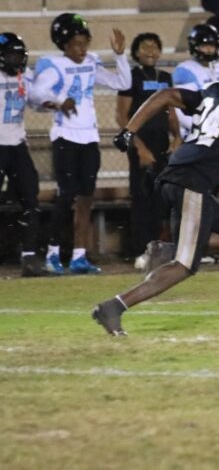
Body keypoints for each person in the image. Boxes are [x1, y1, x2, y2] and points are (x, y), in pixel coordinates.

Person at [92, 53, 219, 336]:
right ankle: (114, 306)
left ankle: (168, 249)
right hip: (192, 182)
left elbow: (167, 95)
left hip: (177, 175)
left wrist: (129, 130)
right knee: (185, 266)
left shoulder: (218, 91)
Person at [29, 14, 131, 274]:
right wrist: (61, 99)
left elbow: (123, 83)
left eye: (85, 42)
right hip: (65, 137)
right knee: (66, 196)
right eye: (76, 43)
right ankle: (52, 254)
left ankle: (78, 255)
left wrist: (120, 56)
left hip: (89, 137)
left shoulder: (91, 62)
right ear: (63, 44)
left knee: (86, 197)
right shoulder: (53, 65)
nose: (81, 49)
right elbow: (36, 93)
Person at [116, 33, 180, 265]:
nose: (150, 51)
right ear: (136, 52)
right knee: (141, 197)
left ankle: (158, 248)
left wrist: (178, 137)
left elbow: (171, 111)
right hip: (140, 143)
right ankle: (139, 249)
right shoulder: (130, 78)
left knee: (161, 198)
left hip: (163, 144)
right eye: (145, 47)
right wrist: (138, 146)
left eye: (155, 46)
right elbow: (122, 116)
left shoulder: (165, 78)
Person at [0, 32, 44, 276]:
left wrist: (54, 102)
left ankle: (29, 256)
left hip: (16, 145)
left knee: (30, 197)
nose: (15, 59)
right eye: (10, 54)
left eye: (18, 54)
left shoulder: (24, 77)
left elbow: (38, 101)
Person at [172, 25, 219, 139]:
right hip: (193, 130)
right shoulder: (185, 70)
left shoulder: (218, 67)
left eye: (211, 45)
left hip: (215, 127)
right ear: (195, 46)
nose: (208, 50)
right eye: (204, 46)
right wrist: (202, 128)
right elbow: (181, 108)